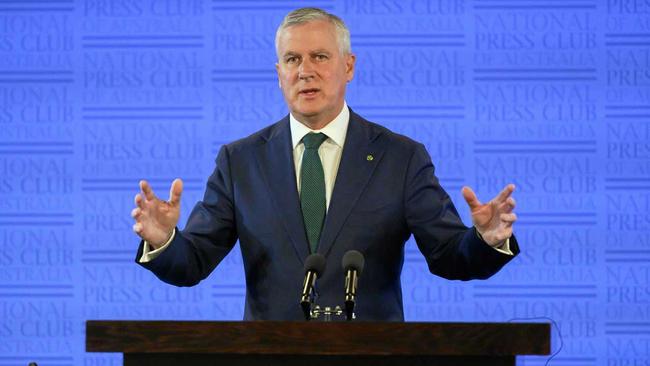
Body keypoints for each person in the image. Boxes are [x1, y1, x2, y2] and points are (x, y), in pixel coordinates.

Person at [131, 7, 519, 321]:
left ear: (348, 66)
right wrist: (163, 240)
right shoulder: (240, 161)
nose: (305, 71)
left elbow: (450, 255)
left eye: (319, 56)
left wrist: (486, 239)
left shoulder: (399, 157)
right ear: (279, 74)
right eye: (292, 59)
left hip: (372, 356)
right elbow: (193, 261)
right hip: (270, 355)